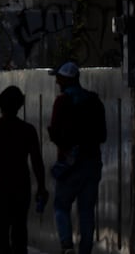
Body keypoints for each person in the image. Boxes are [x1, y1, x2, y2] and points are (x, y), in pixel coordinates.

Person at [0, 86, 48, 254]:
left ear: (0, 105)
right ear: (20, 105)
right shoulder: (27, 130)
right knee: (19, 230)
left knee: (0, 232)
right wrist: (41, 186)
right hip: (21, 187)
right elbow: (37, 161)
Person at [47, 62, 107, 254]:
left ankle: (67, 246)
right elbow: (103, 135)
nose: (56, 81)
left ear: (66, 79)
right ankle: (85, 250)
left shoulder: (63, 101)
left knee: (61, 206)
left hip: (70, 164)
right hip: (92, 163)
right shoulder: (94, 101)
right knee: (86, 211)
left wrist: (65, 148)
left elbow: (55, 132)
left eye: (59, 78)